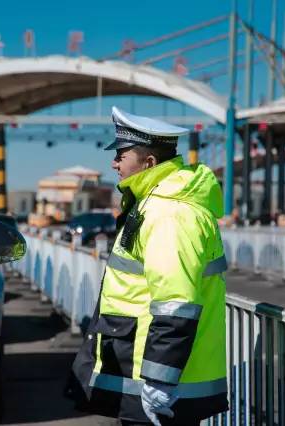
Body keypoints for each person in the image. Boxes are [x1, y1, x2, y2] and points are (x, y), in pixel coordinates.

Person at [68, 107, 229, 425]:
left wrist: (159, 380)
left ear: (149, 162)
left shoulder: (169, 214)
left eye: (121, 154)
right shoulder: (155, 204)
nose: (114, 162)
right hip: (143, 369)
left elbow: (176, 303)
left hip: (156, 381)